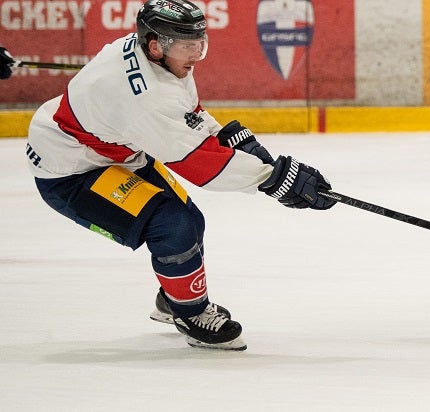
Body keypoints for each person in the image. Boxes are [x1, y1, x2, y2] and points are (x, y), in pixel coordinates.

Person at [25, 0, 336, 351]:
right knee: (174, 226)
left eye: (199, 44)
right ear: (156, 45)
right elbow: (199, 164)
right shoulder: (145, 99)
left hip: (111, 147)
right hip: (69, 169)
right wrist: (274, 178)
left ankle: (173, 297)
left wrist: (231, 141)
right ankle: (190, 313)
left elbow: (187, 116)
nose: (195, 54)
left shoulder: (157, 58)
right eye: (187, 46)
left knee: (189, 219)